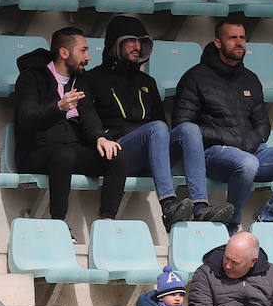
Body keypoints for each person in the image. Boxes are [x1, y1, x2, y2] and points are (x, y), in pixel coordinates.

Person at [80, 15, 233, 231]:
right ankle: (168, 205)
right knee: (158, 128)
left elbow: (161, 124)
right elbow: (87, 117)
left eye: (142, 41)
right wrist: (101, 137)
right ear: (116, 43)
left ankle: (200, 206)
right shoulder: (93, 79)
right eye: (131, 40)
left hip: (151, 154)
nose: (137, 46)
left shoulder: (147, 82)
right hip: (119, 153)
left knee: (189, 129)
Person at [172, 17, 273, 233]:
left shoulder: (250, 79)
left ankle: (266, 221)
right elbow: (183, 125)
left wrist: (250, 140)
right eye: (232, 38)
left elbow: (263, 125)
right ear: (218, 42)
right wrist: (230, 139)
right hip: (212, 154)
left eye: (242, 38)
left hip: (252, 151)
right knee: (248, 163)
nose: (239, 43)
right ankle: (232, 224)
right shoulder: (195, 77)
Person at [13, 25, 126, 225]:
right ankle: (59, 223)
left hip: (71, 150)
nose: (88, 57)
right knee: (63, 155)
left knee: (117, 155)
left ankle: (107, 221)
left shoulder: (81, 82)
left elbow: (89, 117)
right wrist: (58, 107)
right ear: (64, 52)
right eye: (83, 50)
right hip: (36, 151)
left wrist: (100, 137)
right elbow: (27, 119)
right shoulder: (31, 78)